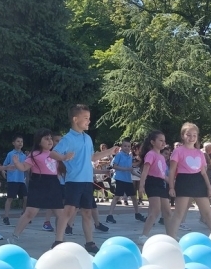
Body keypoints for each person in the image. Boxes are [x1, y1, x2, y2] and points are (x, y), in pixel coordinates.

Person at [50, 105, 115, 254]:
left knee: (87, 212)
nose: (88, 121)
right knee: (69, 211)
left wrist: (109, 151)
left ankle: (90, 243)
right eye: (85, 118)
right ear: (75, 119)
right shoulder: (68, 138)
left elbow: (92, 157)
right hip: (74, 181)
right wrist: (64, 157)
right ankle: (58, 241)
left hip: (87, 180)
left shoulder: (88, 138)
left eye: (89, 118)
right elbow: (53, 154)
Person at [8, 129, 65, 243]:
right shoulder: (34, 155)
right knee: (30, 212)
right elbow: (24, 167)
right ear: (39, 142)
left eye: (50, 139)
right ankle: (15, 236)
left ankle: (59, 240)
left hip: (53, 184)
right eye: (46, 139)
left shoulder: (55, 155)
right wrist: (17, 163)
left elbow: (58, 170)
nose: (50, 141)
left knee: (61, 214)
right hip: (38, 183)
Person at [169, 123, 211, 235]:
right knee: (179, 213)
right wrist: (171, 187)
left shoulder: (199, 153)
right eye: (188, 135)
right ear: (183, 136)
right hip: (184, 181)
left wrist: (209, 187)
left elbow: (203, 172)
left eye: (194, 135)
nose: (191, 138)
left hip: (198, 181)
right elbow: (172, 171)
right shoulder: (178, 151)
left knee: (207, 212)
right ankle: (171, 238)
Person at [138, 130, 171, 243]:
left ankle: (171, 235)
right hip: (151, 183)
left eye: (164, 141)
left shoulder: (161, 157)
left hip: (161, 184)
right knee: (155, 210)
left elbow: (162, 175)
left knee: (167, 211)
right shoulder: (150, 154)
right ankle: (143, 235)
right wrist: (141, 186)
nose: (163, 143)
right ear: (153, 142)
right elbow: (145, 171)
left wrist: (173, 183)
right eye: (160, 140)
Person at [107, 137, 146, 224]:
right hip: (120, 179)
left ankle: (137, 214)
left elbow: (131, 169)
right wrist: (125, 169)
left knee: (133, 197)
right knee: (117, 197)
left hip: (128, 180)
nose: (127, 148)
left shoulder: (130, 156)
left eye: (128, 146)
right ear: (122, 146)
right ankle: (109, 215)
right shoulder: (119, 155)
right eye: (125, 146)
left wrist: (141, 176)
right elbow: (114, 166)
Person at [2, 135, 27, 226]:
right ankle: (6, 216)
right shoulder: (10, 154)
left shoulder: (24, 156)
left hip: (21, 180)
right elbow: (4, 165)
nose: (20, 143)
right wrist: (4, 172)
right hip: (12, 179)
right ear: (13, 143)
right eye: (18, 141)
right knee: (10, 198)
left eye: (21, 141)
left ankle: (24, 214)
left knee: (25, 197)